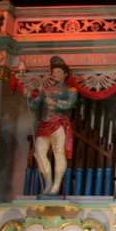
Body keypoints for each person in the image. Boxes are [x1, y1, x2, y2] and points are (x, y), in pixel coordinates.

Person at [26, 56, 78, 196]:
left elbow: (69, 104)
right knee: (38, 153)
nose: (56, 74)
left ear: (65, 74)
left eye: (59, 72)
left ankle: (56, 185)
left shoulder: (71, 90)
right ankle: (48, 182)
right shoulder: (45, 90)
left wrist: (55, 103)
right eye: (54, 72)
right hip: (44, 124)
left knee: (58, 152)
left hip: (59, 123)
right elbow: (34, 106)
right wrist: (29, 97)